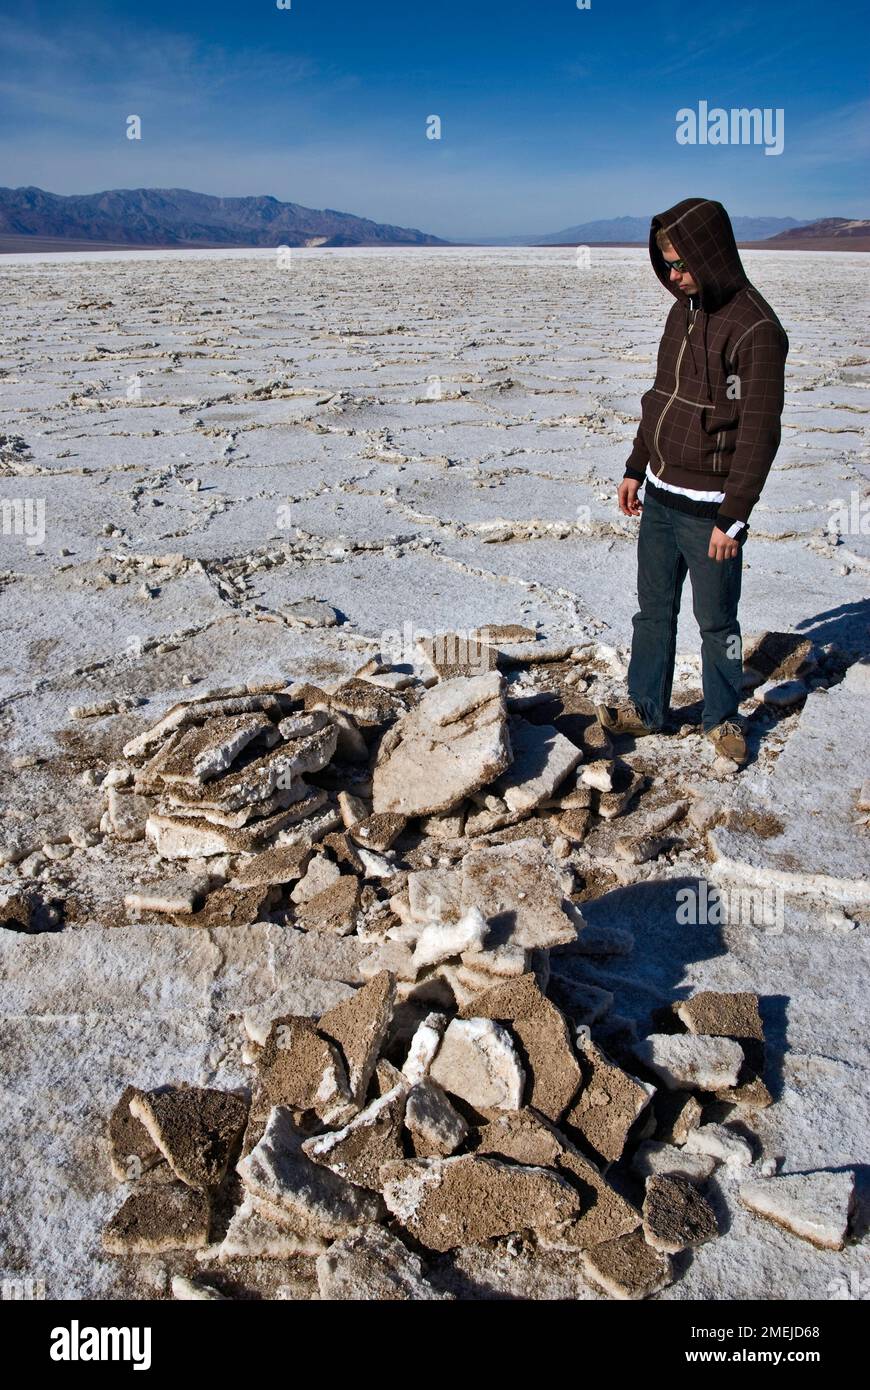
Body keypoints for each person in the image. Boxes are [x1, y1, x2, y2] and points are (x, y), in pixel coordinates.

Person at [596, 197, 789, 765]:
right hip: (660, 493)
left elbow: (759, 433)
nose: (673, 276)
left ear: (712, 254)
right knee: (652, 610)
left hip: (710, 510)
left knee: (717, 622)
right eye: (666, 264)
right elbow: (660, 397)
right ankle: (645, 708)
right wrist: (636, 465)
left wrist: (735, 515)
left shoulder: (756, 330)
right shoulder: (683, 310)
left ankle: (723, 718)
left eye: (681, 263)